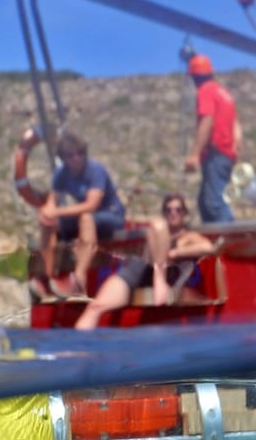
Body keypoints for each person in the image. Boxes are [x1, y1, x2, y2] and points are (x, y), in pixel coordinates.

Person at [75, 193, 214, 330]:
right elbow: (155, 230)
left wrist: (174, 253)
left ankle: (159, 277)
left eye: (178, 209)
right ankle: (76, 350)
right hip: (139, 269)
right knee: (95, 307)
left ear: (185, 213)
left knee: (158, 227)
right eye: (169, 209)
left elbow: (208, 247)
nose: (173, 213)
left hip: (168, 277)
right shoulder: (157, 230)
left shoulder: (188, 237)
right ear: (164, 212)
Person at [15, 128, 125, 299]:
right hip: (86, 218)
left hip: (110, 217)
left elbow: (91, 204)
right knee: (49, 222)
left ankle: (79, 278)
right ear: (63, 158)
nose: (76, 158)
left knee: (86, 218)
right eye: (71, 155)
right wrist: (47, 213)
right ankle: (47, 275)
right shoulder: (61, 174)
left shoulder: (96, 170)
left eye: (80, 153)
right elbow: (53, 201)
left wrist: (56, 211)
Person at [182, 54, 238, 224]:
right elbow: (236, 125)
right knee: (205, 201)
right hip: (226, 153)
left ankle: (229, 241)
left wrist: (194, 154)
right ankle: (213, 240)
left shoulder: (205, 91)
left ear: (194, 76)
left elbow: (207, 120)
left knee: (214, 203)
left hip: (216, 153)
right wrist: (235, 150)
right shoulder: (223, 93)